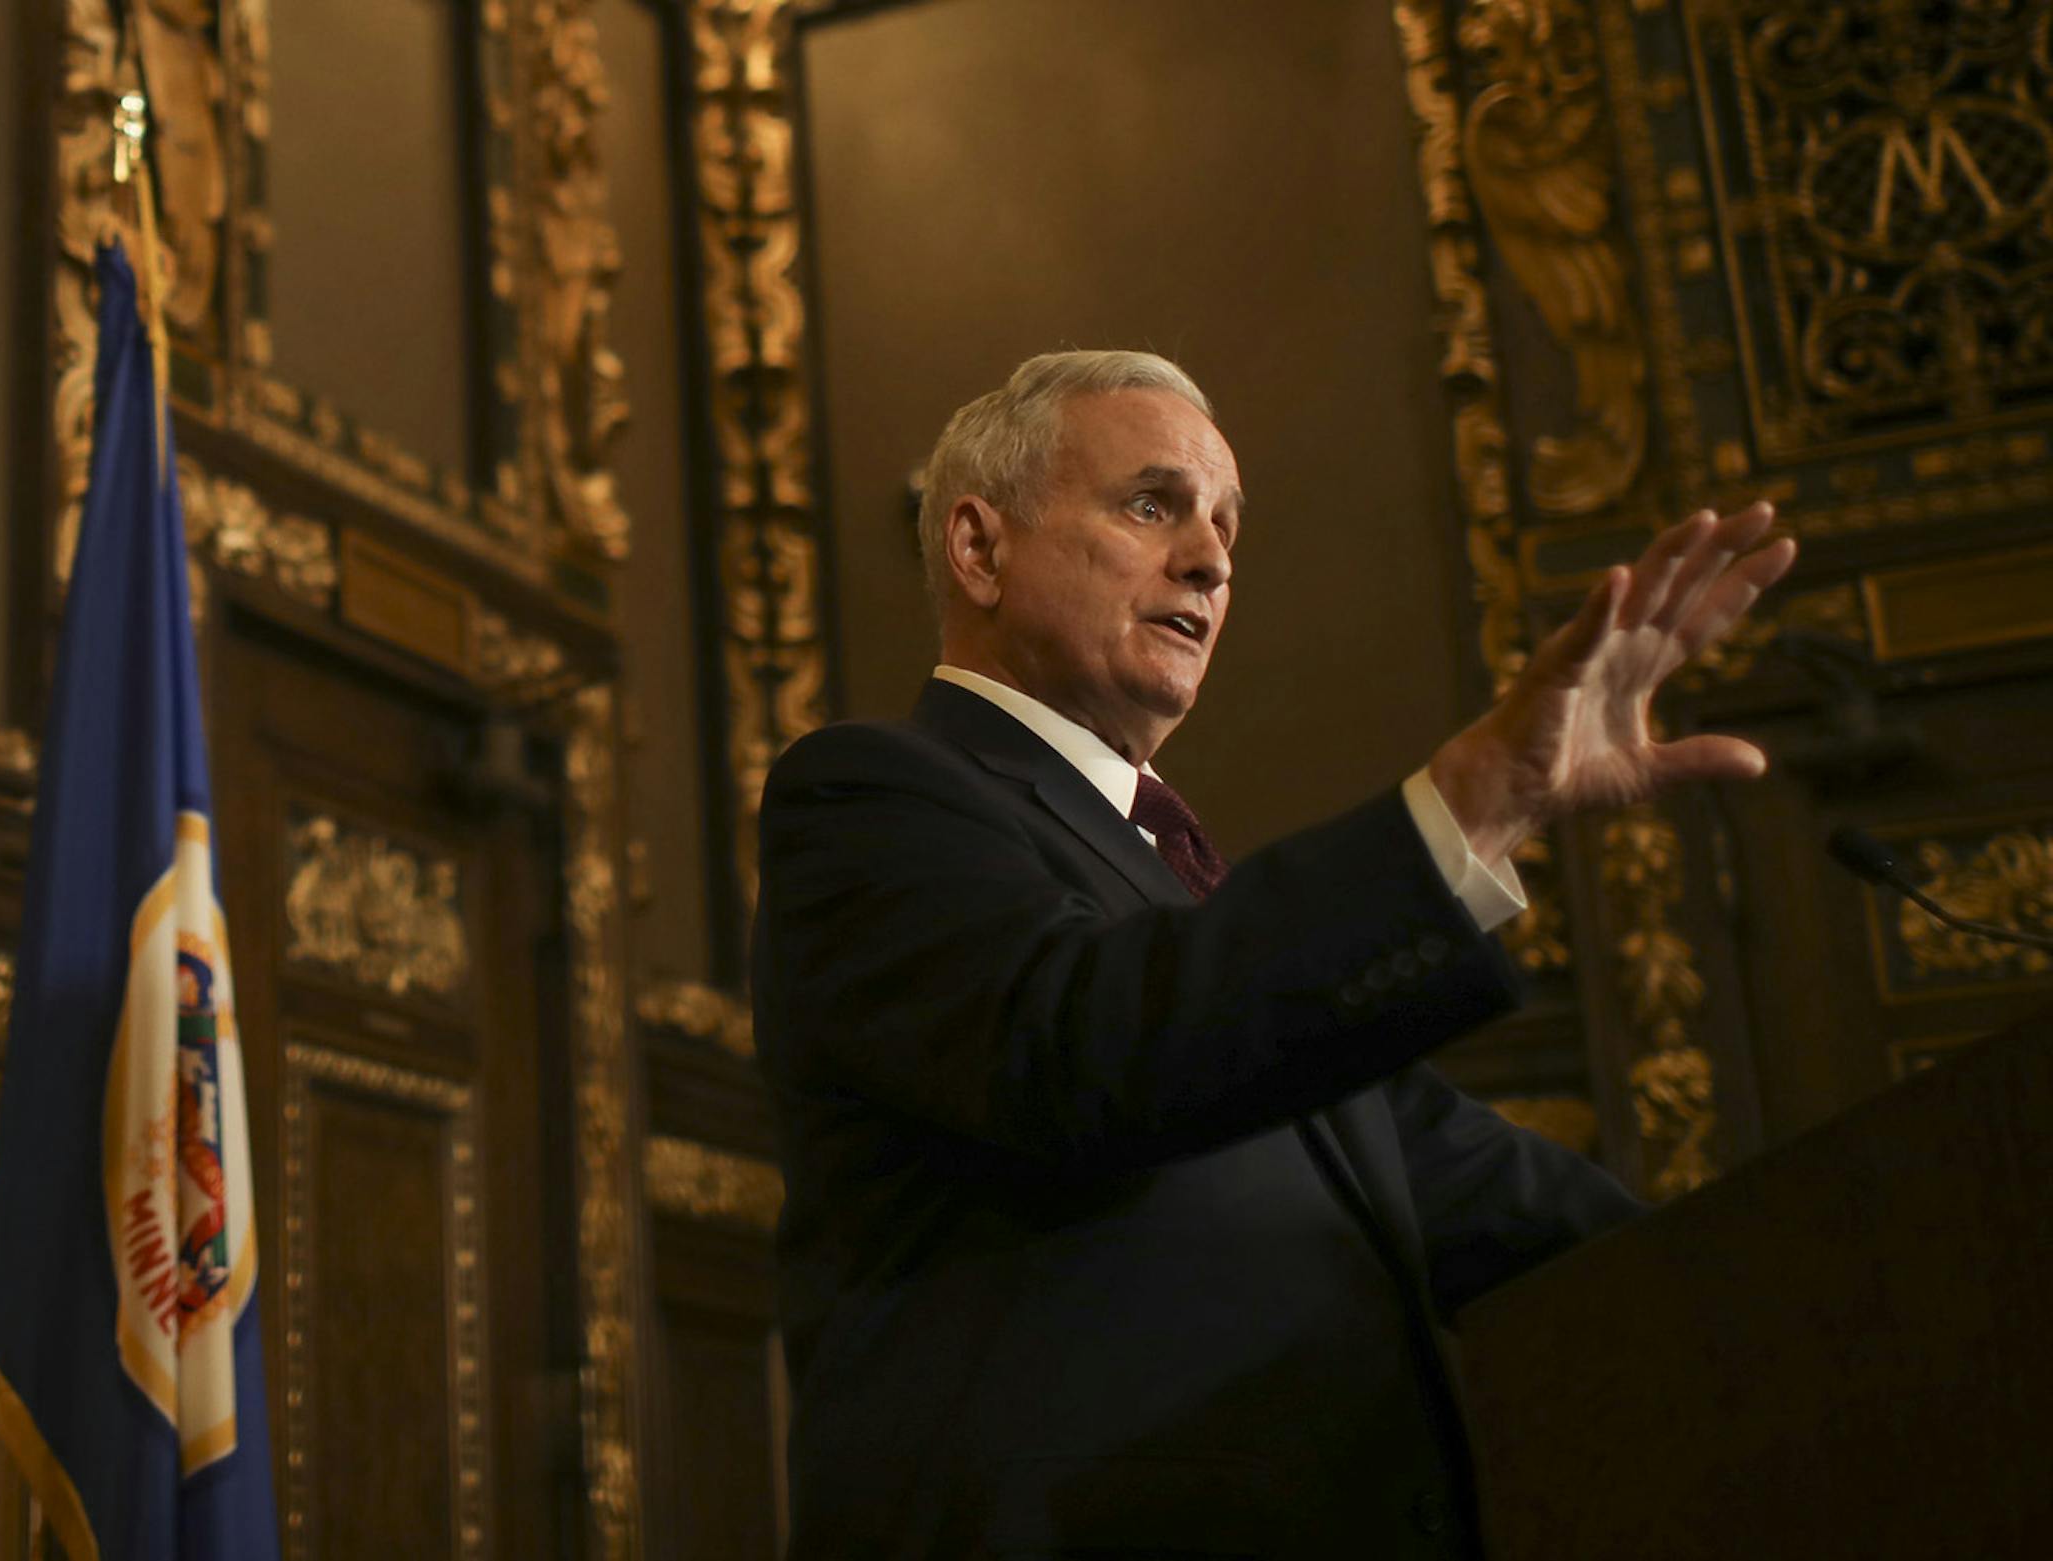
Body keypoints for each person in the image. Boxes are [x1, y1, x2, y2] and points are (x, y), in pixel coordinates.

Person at [751, 351, 1795, 1560]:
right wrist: (1467, 807)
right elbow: (1086, 1042)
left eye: (1224, 524)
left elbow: (1470, 1182)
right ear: (980, 548)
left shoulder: (1182, 892)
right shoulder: (872, 798)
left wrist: (1787, 1282)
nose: (1212, 558)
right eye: (1153, 505)